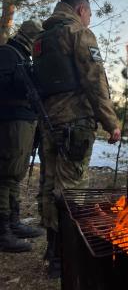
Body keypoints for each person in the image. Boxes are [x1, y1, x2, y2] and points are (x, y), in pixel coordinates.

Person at [32, 0, 121, 278]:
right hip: (76, 123)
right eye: (90, 14)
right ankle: (64, 257)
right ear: (81, 9)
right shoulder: (78, 33)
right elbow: (95, 81)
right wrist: (112, 123)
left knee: (48, 184)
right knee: (71, 190)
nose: (90, 20)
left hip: (47, 123)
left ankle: (52, 248)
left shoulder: (41, 40)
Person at [0, 20, 45, 253]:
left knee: (15, 174)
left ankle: (13, 223)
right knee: (6, 175)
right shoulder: (8, 54)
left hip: (22, 122)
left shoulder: (21, 56)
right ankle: (3, 231)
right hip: (10, 122)